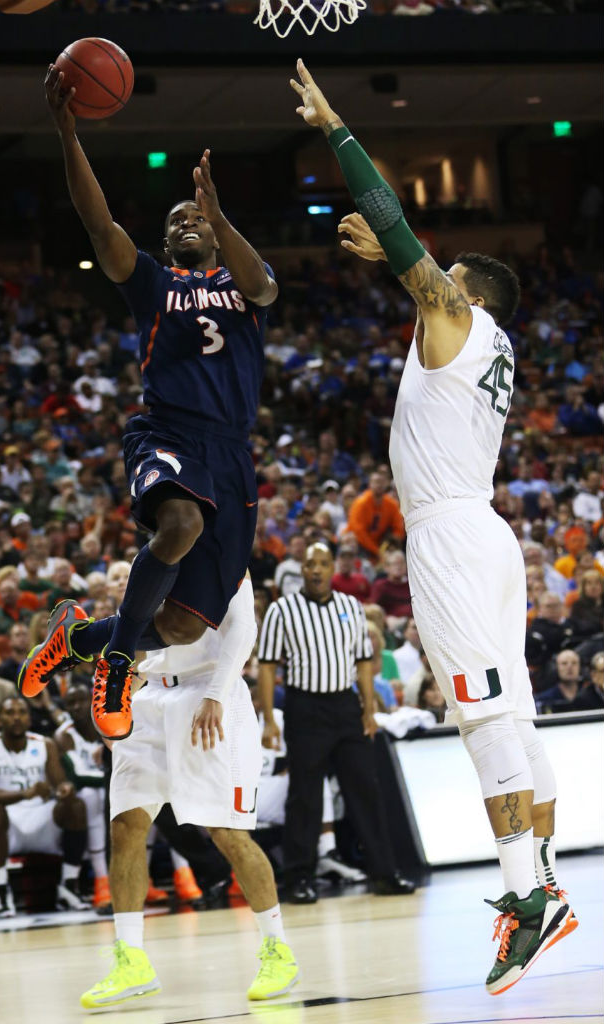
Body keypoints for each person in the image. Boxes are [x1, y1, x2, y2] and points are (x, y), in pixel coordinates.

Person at [289, 59, 576, 993]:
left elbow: (407, 237)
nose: (429, 277)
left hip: (454, 534)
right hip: (484, 531)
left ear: (470, 295)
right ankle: (547, 888)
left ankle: (528, 903)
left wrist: (335, 126)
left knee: (484, 716)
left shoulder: (460, 315)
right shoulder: (483, 344)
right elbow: (414, 267)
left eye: (443, 276)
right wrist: (392, 260)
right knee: (516, 717)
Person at [18, 64, 277, 744]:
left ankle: (82, 640)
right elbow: (97, 222)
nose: (189, 221)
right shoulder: (153, 282)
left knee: (187, 623)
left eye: (198, 217)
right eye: (179, 219)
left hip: (232, 452)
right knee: (181, 523)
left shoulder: (243, 281)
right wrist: (67, 132)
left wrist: (220, 213)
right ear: (166, 242)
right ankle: (118, 661)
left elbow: (266, 288)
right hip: (167, 431)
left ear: (216, 233)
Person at [80, 577, 299, 1010]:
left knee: (227, 832)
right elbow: (138, 630)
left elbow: (243, 628)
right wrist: (119, 700)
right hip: (151, 694)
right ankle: (132, 960)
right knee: (125, 825)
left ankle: (279, 951)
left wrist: (218, 692)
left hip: (208, 692)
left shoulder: (222, 547)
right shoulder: (152, 558)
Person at [258, 541, 414, 904]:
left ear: (332, 569)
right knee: (305, 797)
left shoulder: (350, 607)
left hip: (345, 706)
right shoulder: (282, 610)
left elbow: (363, 660)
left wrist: (368, 710)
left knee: (365, 790)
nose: (316, 570)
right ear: (302, 568)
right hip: (305, 707)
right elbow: (267, 666)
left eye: (323, 563)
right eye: (310, 563)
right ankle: (298, 877)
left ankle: (384, 873)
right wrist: (269, 718)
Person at [0, 695, 89, 917]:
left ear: (29, 718)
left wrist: (64, 789)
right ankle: (0, 891)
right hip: (6, 826)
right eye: (10, 713)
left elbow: (60, 783)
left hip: (41, 819)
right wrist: (24, 793)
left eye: (22, 712)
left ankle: (69, 886)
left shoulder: (45, 744)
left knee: (76, 806)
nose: (16, 718)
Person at [54, 683, 110, 910]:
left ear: (93, 700)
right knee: (90, 795)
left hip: (110, 785)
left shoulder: (107, 722)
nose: (76, 707)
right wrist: (108, 775)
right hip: (86, 796)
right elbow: (77, 776)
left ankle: (156, 878)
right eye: (70, 703)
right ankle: (102, 881)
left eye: (81, 700)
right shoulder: (63, 735)